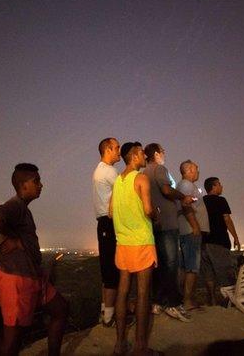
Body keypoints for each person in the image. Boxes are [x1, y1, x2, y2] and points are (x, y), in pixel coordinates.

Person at [0, 163, 68, 356]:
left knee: (60, 309)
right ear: (23, 185)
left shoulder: (23, 209)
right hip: (15, 279)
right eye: (36, 181)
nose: (41, 185)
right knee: (12, 341)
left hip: (32, 277)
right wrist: (13, 239)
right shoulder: (15, 205)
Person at [110, 142, 159, 356]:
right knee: (142, 293)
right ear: (134, 155)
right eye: (141, 153)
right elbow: (148, 210)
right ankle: (140, 347)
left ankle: (120, 344)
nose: (144, 156)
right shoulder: (141, 178)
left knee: (122, 292)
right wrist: (156, 212)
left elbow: (110, 212)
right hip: (141, 241)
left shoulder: (117, 182)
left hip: (123, 242)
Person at [143, 143, 193, 322]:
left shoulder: (142, 173)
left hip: (154, 225)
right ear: (156, 154)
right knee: (171, 265)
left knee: (159, 266)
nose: (164, 153)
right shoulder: (159, 169)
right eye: (163, 151)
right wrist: (182, 196)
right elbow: (166, 189)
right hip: (168, 225)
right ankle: (173, 304)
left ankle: (157, 302)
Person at [92, 137, 121, 326]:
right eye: (117, 148)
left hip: (103, 224)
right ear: (108, 150)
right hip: (109, 223)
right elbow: (123, 194)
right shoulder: (109, 171)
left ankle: (105, 311)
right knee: (112, 270)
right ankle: (109, 318)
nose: (119, 151)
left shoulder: (99, 170)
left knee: (106, 268)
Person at [176, 160, 210, 311]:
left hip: (188, 231)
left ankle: (182, 298)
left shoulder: (186, 185)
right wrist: (195, 226)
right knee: (192, 268)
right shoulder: (186, 185)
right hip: (190, 231)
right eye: (196, 168)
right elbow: (185, 205)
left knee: (185, 267)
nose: (198, 171)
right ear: (189, 170)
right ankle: (187, 301)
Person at [202, 177, 240, 306]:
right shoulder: (221, 200)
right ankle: (231, 301)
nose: (221, 186)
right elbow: (227, 219)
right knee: (226, 272)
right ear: (213, 186)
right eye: (219, 184)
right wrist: (235, 237)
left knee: (209, 273)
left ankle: (211, 300)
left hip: (204, 242)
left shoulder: (201, 201)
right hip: (219, 241)